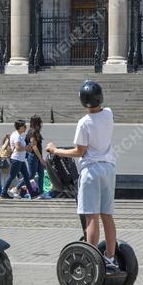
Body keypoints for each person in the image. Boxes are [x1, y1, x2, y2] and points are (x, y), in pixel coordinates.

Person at [46, 81, 120, 272]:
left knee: (91, 217)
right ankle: (111, 258)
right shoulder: (109, 114)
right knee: (107, 216)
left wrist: (56, 150)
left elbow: (80, 152)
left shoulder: (84, 122)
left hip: (91, 171)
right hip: (109, 168)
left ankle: (93, 260)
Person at [2, 120, 33, 199]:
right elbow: (18, 147)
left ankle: (32, 193)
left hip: (20, 160)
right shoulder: (16, 136)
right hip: (16, 159)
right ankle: (3, 193)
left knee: (26, 176)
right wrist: (26, 148)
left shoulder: (17, 135)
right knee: (11, 176)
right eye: (24, 126)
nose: (25, 128)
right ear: (20, 127)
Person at [26, 115, 46, 197]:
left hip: (37, 157)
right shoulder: (32, 132)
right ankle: (16, 188)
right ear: (37, 123)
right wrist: (41, 159)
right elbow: (34, 147)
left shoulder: (35, 132)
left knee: (41, 174)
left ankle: (41, 192)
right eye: (40, 122)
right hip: (34, 157)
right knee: (31, 175)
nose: (41, 124)